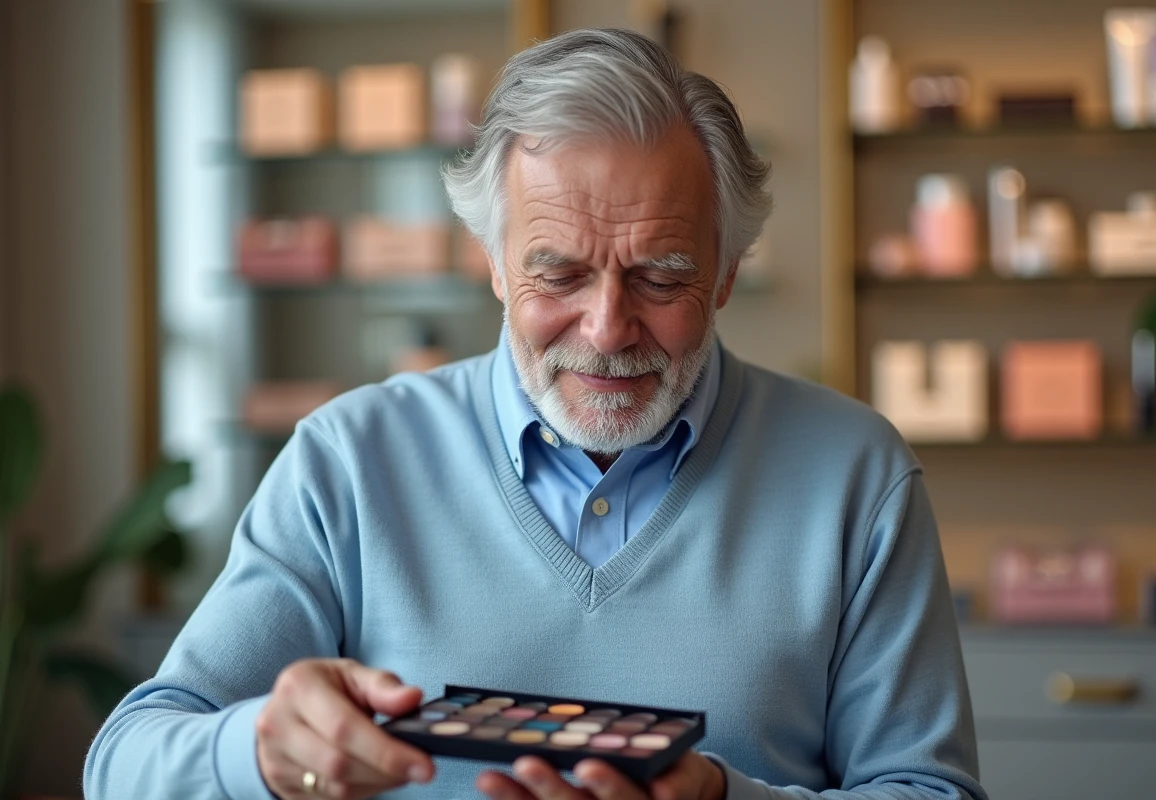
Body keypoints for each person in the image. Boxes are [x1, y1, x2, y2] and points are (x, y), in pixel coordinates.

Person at [84, 28, 986, 800]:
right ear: (491, 263)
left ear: (726, 272)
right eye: (556, 274)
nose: (606, 327)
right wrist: (262, 755)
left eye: (662, 275)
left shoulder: (855, 476)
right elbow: (121, 763)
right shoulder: (349, 462)